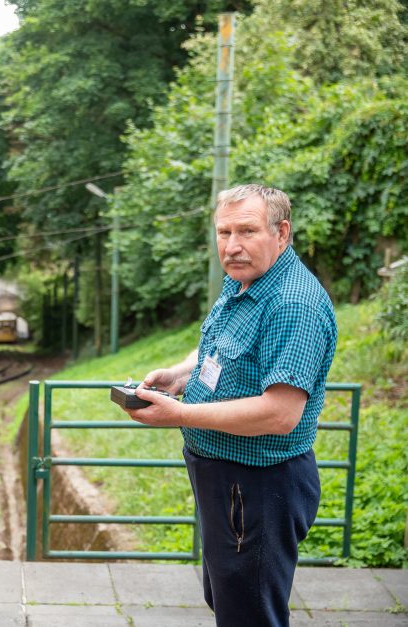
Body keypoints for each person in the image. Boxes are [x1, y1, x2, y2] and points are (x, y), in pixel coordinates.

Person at [123, 184, 338, 627]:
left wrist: (179, 414)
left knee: (249, 614)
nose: (232, 246)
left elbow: (280, 414)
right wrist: (178, 376)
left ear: (281, 233)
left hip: (257, 486)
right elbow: (221, 350)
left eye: (246, 231)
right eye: (224, 232)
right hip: (226, 480)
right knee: (228, 599)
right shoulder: (247, 280)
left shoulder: (293, 305)